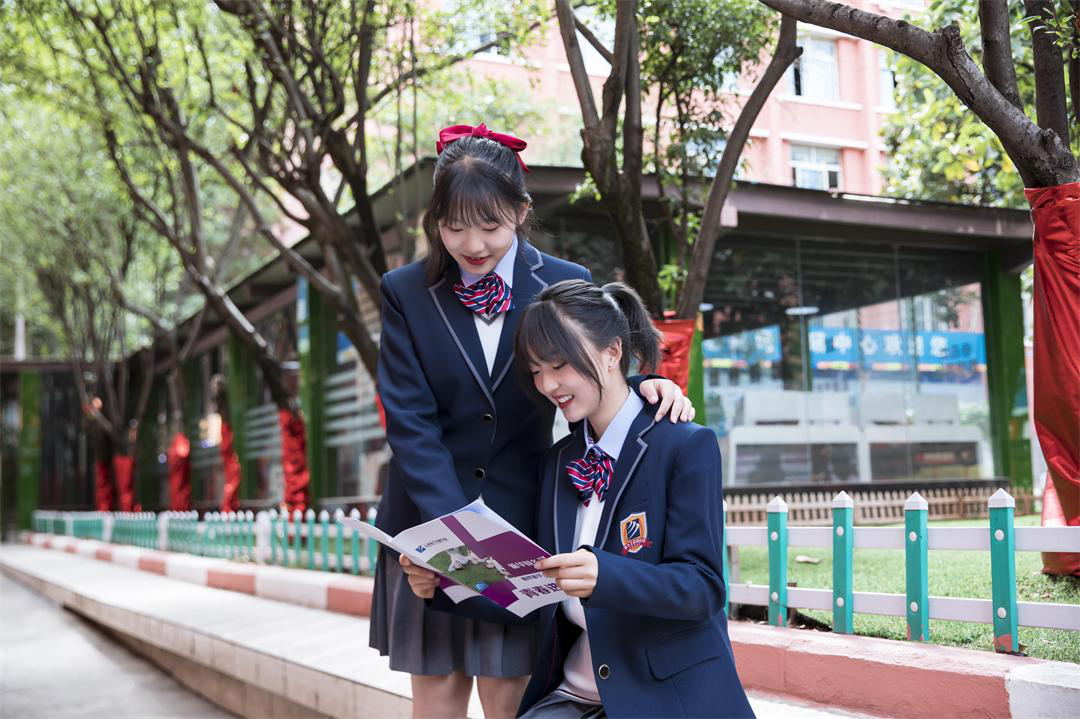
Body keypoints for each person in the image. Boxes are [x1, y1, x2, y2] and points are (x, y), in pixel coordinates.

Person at [373, 123, 694, 719]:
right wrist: (456, 540)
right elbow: (409, 423)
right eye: (454, 225)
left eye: (490, 224)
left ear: (521, 212)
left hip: (521, 522)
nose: (472, 243)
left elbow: (600, 365)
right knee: (435, 695)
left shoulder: (563, 281)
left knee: (510, 697)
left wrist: (647, 384)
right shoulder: (406, 291)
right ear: (434, 218)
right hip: (430, 520)